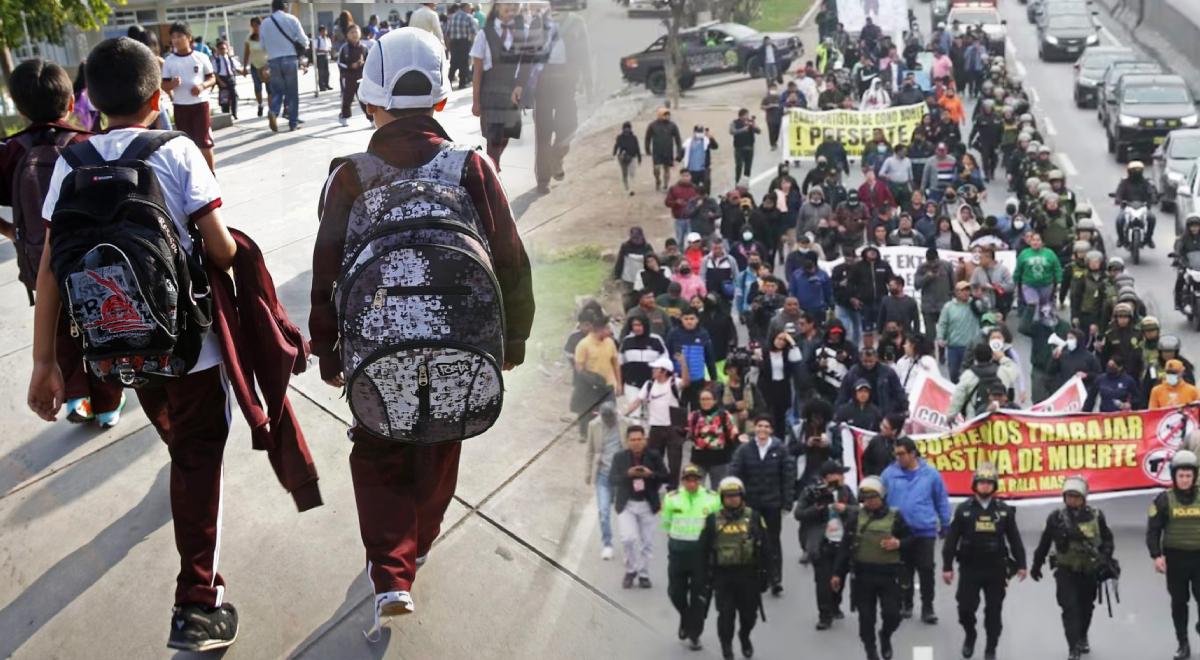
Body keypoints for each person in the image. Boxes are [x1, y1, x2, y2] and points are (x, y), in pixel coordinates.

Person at [308, 27, 534, 631]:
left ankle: (390, 573)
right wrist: (512, 340)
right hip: (462, 341)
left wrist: (328, 350)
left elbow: (326, 270)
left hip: (376, 347)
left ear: (367, 103)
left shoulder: (349, 175)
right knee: (441, 439)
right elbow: (509, 259)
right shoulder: (470, 166)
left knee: (378, 446)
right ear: (441, 101)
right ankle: (422, 541)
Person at [28, 36, 240, 651]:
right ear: (158, 95)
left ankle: (184, 481)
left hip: (116, 345)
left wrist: (45, 363)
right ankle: (198, 602)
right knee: (201, 455)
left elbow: (50, 266)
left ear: (90, 100)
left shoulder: (72, 158)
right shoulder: (177, 150)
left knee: (177, 434)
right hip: (190, 346)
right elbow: (221, 249)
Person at [0, 59, 127, 427]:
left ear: (20, 108)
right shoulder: (88, 145)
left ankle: (74, 399)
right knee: (102, 329)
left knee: (58, 331)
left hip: (39, 263)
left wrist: (12, 232)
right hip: (93, 262)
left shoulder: (10, 152)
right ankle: (107, 405)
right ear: (71, 102)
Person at [942, 463, 1028, 660]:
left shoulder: (1004, 510)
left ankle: (991, 647)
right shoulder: (964, 509)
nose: (985, 487)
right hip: (970, 567)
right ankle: (970, 635)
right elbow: (952, 540)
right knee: (965, 608)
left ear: (994, 486)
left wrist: (1022, 564)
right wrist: (947, 567)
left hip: (996, 569)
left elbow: (1014, 539)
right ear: (975, 485)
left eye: (989, 483)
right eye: (981, 483)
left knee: (994, 613)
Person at [1031, 476, 1116, 660]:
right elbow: (1045, 542)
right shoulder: (1055, 518)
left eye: (1076, 496)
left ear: (1084, 497)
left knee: (1086, 607)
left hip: (1089, 571)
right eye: (1069, 496)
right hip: (1065, 570)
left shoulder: (1096, 516)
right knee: (1069, 608)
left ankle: (1082, 636)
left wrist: (1105, 557)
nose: (1072, 500)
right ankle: (1073, 647)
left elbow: (1107, 539)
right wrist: (1036, 565)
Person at [832, 476, 913, 660]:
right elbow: (845, 547)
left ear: (881, 496)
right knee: (866, 620)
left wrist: (898, 543)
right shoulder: (856, 518)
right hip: (863, 576)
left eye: (873, 497)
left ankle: (885, 636)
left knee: (893, 615)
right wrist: (837, 573)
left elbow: (911, 540)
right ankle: (871, 652)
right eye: (866, 498)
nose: (869, 502)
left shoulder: (896, 516)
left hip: (889, 576)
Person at [882, 436, 952, 624]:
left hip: (924, 530)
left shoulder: (930, 474)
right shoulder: (889, 474)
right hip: (899, 531)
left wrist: (946, 523)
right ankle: (906, 603)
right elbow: (879, 499)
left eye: (902, 454)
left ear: (913, 453)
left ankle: (927, 607)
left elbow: (941, 499)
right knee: (904, 569)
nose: (898, 458)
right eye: (896, 454)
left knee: (926, 569)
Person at [701, 476, 768, 660]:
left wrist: (766, 576)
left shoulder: (753, 517)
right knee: (725, 616)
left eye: (736, 495)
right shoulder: (712, 520)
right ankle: (726, 647)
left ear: (742, 496)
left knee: (749, 616)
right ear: (722, 498)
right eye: (728, 496)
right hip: (723, 577)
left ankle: (744, 636)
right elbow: (703, 550)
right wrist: (704, 579)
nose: (732, 499)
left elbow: (766, 547)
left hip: (748, 575)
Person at [728, 415, 796, 597]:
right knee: (750, 539)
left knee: (772, 541)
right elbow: (734, 472)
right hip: (751, 504)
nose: (763, 429)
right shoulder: (745, 449)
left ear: (771, 430)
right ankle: (754, 577)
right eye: (759, 426)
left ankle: (776, 579)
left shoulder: (781, 449)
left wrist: (787, 502)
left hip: (773, 504)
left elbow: (788, 477)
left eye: (766, 426)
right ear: (755, 428)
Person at [1148, 450, 1200, 660]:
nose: (1185, 480)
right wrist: (1157, 556)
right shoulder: (1163, 500)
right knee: (1179, 602)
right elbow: (1153, 531)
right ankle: (1183, 644)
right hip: (1176, 559)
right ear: (1174, 476)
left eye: (1189, 476)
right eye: (1181, 476)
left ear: (1194, 476)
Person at [663, 464, 722, 650]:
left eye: (695, 479)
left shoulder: (712, 499)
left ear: (700, 480)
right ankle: (685, 618)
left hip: (700, 555)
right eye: (688, 479)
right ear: (683, 481)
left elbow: (718, 526)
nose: (692, 483)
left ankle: (695, 634)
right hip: (678, 552)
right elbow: (666, 525)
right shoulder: (672, 498)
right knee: (675, 593)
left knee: (699, 597)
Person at [797, 460, 856, 629]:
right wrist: (818, 508)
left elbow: (858, 510)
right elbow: (799, 513)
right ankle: (824, 615)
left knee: (839, 577)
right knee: (823, 581)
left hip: (843, 542)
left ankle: (835, 605)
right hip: (821, 542)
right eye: (839, 473)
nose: (843, 477)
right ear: (828, 477)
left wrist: (845, 509)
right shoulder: (811, 491)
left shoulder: (845, 491)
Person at [470, 2, 529, 170]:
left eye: (515, 7)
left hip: (512, 91)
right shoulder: (484, 34)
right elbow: (478, 72)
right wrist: (476, 101)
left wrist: (521, 86)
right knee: (494, 137)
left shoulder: (523, 32)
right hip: (490, 92)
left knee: (507, 134)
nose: (511, 11)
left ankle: (493, 165)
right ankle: (492, 170)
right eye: (507, 6)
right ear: (497, 7)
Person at [611, 425, 670, 589]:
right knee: (628, 538)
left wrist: (650, 474)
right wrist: (627, 475)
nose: (636, 443)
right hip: (627, 504)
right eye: (633, 440)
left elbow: (666, 477)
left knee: (647, 542)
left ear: (645, 440)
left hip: (648, 504)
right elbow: (612, 480)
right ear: (627, 442)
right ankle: (631, 570)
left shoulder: (654, 456)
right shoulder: (619, 457)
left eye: (639, 439)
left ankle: (643, 573)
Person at [161, 22, 216, 170]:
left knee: (204, 142)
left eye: (180, 36)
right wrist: (172, 84)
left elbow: (212, 78)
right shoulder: (169, 61)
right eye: (173, 37)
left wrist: (202, 86)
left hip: (200, 104)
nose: (176, 40)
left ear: (189, 37)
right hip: (180, 106)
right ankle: (192, 174)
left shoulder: (201, 57)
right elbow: (163, 85)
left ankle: (211, 175)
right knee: (185, 143)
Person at [586, 400, 627, 560]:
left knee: (624, 513)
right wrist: (588, 473)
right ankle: (607, 544)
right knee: (603, 512)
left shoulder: (625, 423)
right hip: (602, 475)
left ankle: (627, 547)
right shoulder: (594, 426)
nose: (609, 421)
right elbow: (590, 451)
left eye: (612, 417)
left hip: (621, 476)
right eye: (606, 418)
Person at [259, 0, 309, 132]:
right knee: (292, 93)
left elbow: (262, 46)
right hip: (290, 59)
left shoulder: (265, 23)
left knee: (277, 91)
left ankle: (273, 111)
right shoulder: (292, 19)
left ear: (272, 8)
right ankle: (293, 123)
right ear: (285, 6)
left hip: (273, 61)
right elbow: (304, 40)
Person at [688, 388, 740, 487]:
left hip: (720, 460)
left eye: (708, 399)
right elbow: (690, 434)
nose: (705, 402)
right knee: (696, 489)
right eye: (702, 399)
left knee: (719, 490)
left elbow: (733, 435)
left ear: (715, 400)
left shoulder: (724, 415)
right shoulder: (694, 416)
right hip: (698, 459)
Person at [938, 281, 982, 383]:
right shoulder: (948, 307)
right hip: (954, 346)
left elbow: (984, 309)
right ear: (957, 293)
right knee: (954, 374)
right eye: (963, 290)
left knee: (970, 375)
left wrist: (978, 297)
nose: (966, 293)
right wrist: (940, 337)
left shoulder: (974, 304)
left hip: (971, 347)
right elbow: (943, 323)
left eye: (968, 290)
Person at [1114, 160, 1158, 249]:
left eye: (1138, 170)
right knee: (1119, 220)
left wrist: (1153, 198)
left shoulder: (1145, 182)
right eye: (1134, 170)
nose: (1136, 172)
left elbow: (1151, 191)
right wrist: (1118, 199)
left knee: (1152, 218)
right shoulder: (1124, 182)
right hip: (1127, 207)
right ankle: (1121, 239)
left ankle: (1149, 238)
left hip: (1143, 207)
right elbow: (1119, 192)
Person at [915, 247, 954, 340]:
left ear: (938, 258)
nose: (932, 264)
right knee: (930, 336)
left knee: (945, 334)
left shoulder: (947, 266)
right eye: (930, 262)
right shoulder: (922, 267)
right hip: (928, 306)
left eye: (934, 261)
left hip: (944, 305)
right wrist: (927, 277)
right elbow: (916, 285)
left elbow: (953, 285)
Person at [646, 107, 683, 191]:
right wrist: (647, 149)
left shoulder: (672, 126)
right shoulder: (652, 125)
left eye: (668, 115)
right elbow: (647, 138)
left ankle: (666, 184)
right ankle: (658, 180)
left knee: (667, 169)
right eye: (665, 115)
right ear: (659, 115)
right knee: (656, 168)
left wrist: (678, 151)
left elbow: (678, 139)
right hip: (657, 151)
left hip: (668, 151)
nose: (667, 117)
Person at [860, 412, 905, 478]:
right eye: (882, 424)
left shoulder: (904, 444)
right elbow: (865, 460)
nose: (881, 428)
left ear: (894, 431)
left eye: (885, 427)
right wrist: (869, 476)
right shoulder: (876, 440)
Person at [445, 4, 478, 90]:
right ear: (466, 7)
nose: (470, 10)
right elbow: (473, 32)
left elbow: (447, 33)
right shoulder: (468, 17)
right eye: (470, 8)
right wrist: (472, 44)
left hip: (453, 43)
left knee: (453, 63)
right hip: (464, 42)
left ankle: (448, 83)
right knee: (464, 63)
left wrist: (448, 47)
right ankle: (462, 83)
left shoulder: (452, 17)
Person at [242, 17, 270, 118]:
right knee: (257, 88)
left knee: (269, 88)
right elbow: (246, 53)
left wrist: (269, 65)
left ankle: (271, 111)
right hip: (255, 66)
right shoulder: (249, 38)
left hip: (266, 66)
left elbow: (271, 51)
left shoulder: (266, 36)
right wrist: (244, 67)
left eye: (256, 25)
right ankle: (260, 104)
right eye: (253, 26)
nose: (255, 28)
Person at [665, 170, 701, 247]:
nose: (685, 178)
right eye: (683, 176)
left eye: (687, 176)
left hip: (692, 219)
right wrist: (675, 202)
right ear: (680, 177)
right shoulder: (674, 188)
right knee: (679, 241)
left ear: (690, 177)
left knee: (691, 241)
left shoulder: (695, 188)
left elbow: (700, 200)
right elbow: (667, 202)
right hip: (679, 219)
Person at [681, 125, 719, 195]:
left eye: (701, 132)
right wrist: (678, 158)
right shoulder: (688, 142)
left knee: (706, 183)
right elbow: (683, 151)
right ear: (694, 132)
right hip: (692, 169)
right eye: (698, 132)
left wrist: (711, 138)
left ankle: (706, 197)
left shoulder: (706, 141)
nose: (699, 133)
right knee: (693, 186)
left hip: (704, 168)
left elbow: (715, 147)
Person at [613, 121, 642, 195]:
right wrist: (614, 153)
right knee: (624, 174)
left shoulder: (634, 138)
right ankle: (626, 187)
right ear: (623, 129)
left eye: (628, 128)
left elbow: (637, 148)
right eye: (625, 128)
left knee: (632, 173)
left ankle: (632, 189)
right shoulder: (619, 137)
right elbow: (616, 146)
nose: (627, 130)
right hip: (622, 158)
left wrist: (639, 157)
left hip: (632, 157)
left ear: (630, 129)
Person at [313, 25, 332, 91]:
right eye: (323, 31)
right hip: (320, 56)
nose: (324, 32)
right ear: (320, 32)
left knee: (327, 72)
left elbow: (329, 47)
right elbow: (316, 49)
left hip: (326, 56)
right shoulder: (317, 39)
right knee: (321, 72)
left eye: (325, 31)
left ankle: (327, 84)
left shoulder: (328, 39)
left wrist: (329, 50)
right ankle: (321, 86)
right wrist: (324, 50)